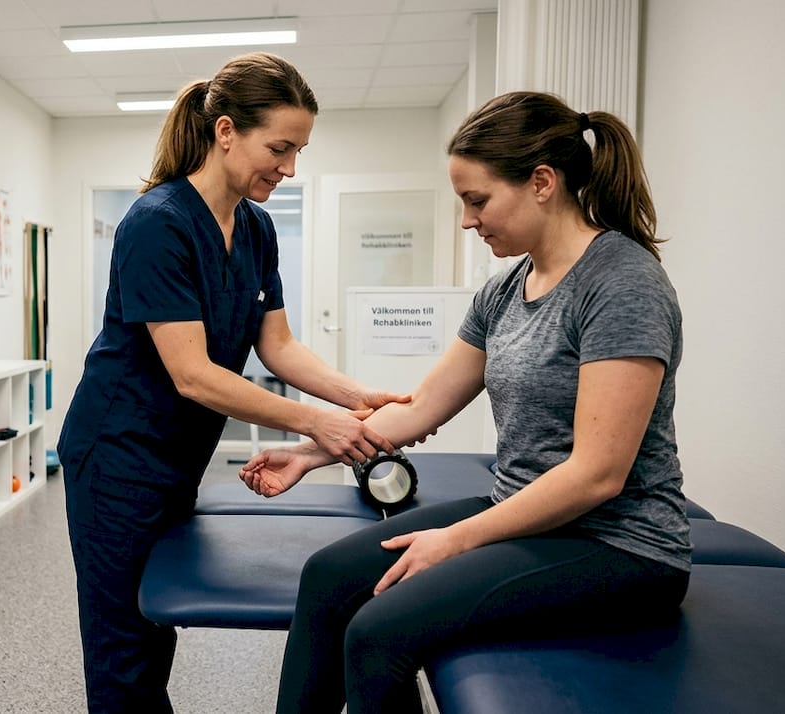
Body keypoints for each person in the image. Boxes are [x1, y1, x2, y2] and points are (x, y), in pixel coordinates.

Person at [240, 91, 692, 714]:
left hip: (620, 546)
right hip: (526, 514)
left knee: (379, 632)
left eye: (477, 200)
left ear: (541, 182)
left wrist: (456, 539)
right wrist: (315, 452)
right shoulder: (505, 288)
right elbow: (424, 405)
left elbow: (597, 475)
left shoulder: (622, 282)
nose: (466, 220)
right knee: (328, 578)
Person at [56, 52, 408, 713]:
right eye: (279, 148)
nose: (289, 167)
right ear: (225, 132)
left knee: (153, 626)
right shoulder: (157, 223)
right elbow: (191, 374)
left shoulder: (255, 226)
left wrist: (355, 398)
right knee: (123, 647)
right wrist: (313, 423)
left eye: (298, 150)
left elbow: (276, 345)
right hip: (117, 455)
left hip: (175, 455)